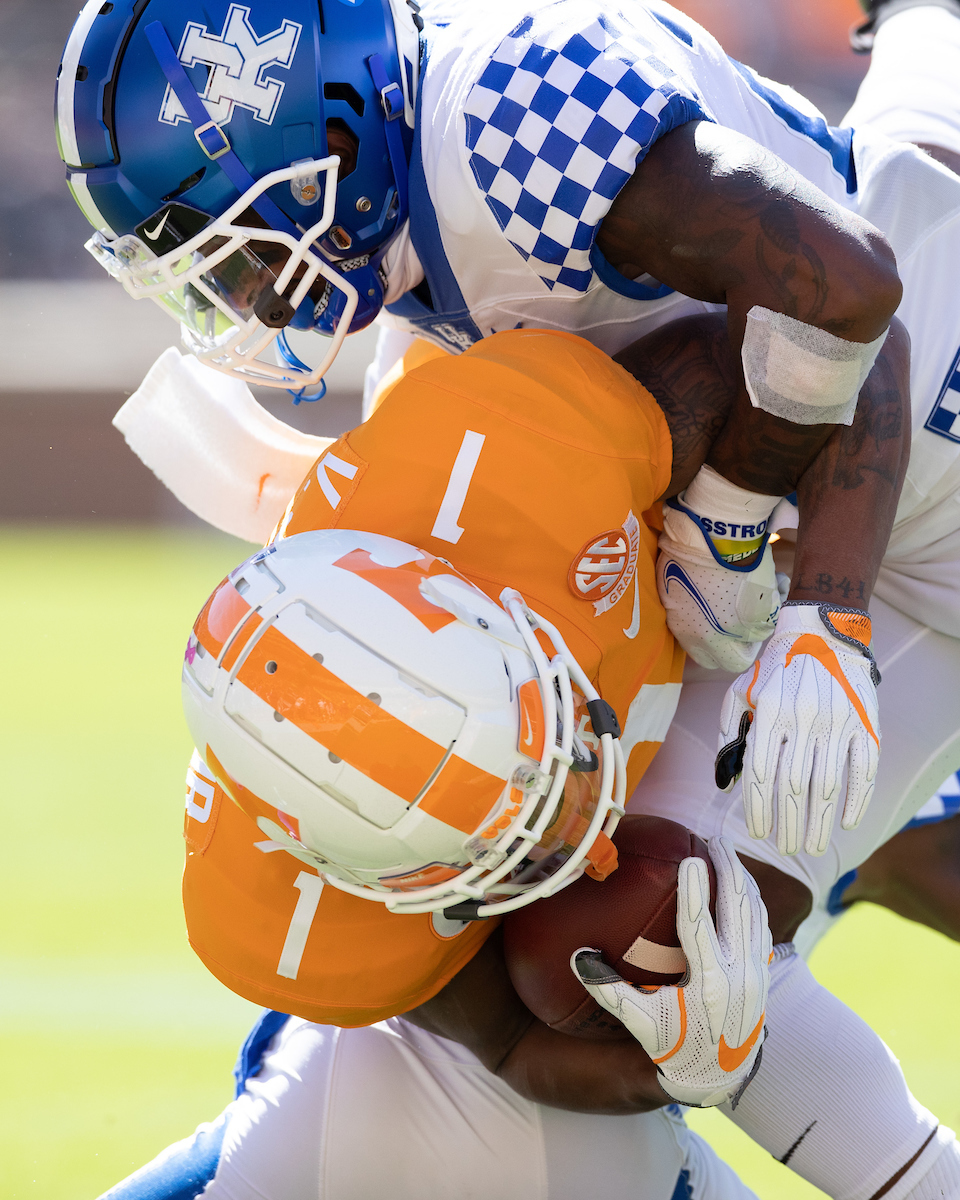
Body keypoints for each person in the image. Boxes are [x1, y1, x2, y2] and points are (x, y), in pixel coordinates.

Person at [96, 315, 913, 1199]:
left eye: (540, 770)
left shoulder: (533, 475)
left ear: (504, 631)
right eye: (499, 847)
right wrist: (685, 1073)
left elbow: (845, 334)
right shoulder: (334, 922)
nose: (581, 839)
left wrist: (822, 606)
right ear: (357, 871)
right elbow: (511, 1044)